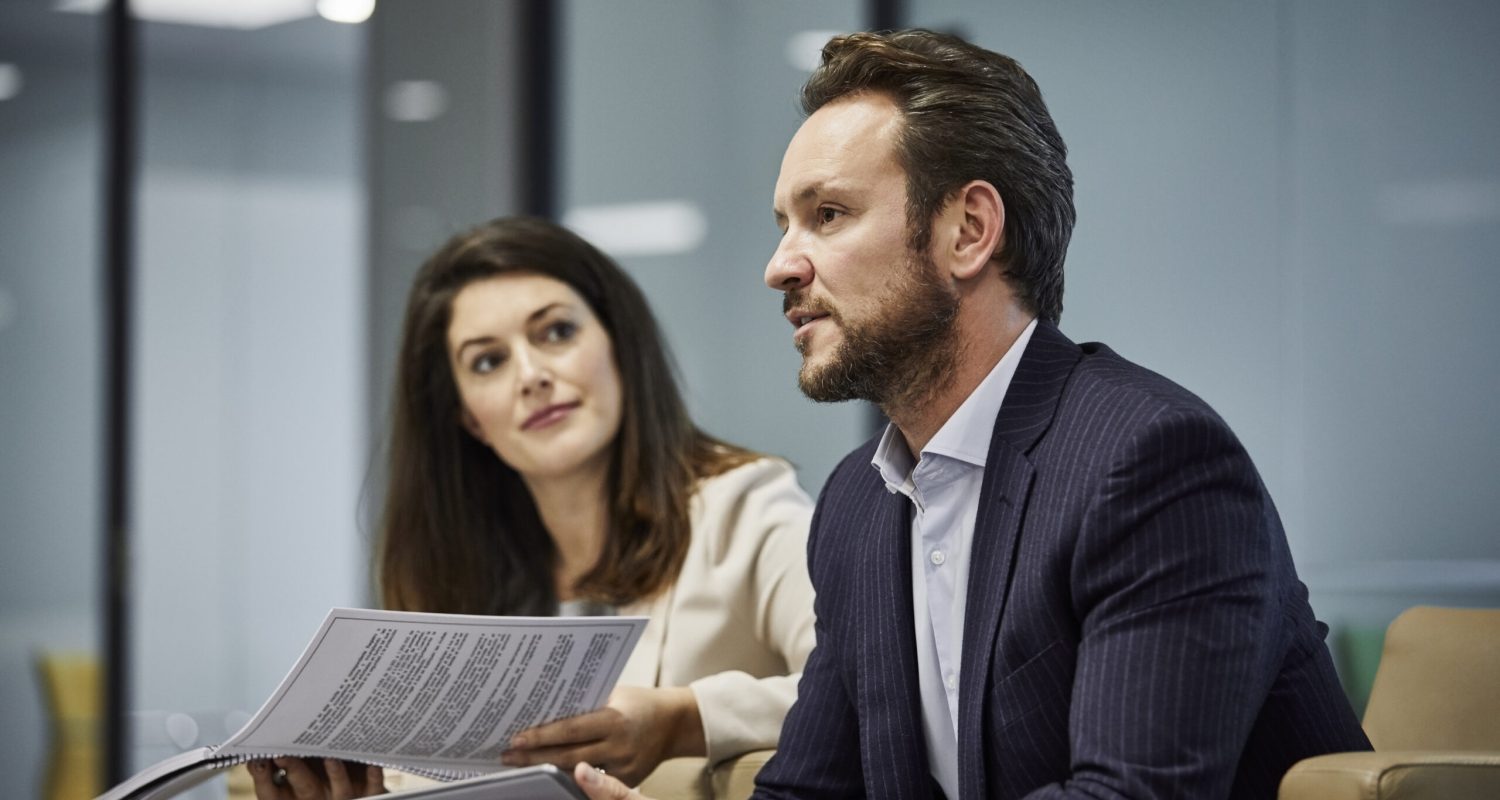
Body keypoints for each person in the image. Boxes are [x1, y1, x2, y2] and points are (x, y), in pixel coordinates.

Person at [577, 29, 1370, 800]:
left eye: (828, 215)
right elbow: (809, 789)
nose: (779, 266)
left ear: (969, 231)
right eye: (783, 225)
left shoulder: (1150, 460)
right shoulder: (858, 501)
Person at [250, 216, 815, 799]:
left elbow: (859, 689)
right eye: (488, 362)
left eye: (555, 332)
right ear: (470, 417)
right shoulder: (463, 572)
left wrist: (681, 720)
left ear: (617, 342)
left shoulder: (744, 504)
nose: (533, 376)